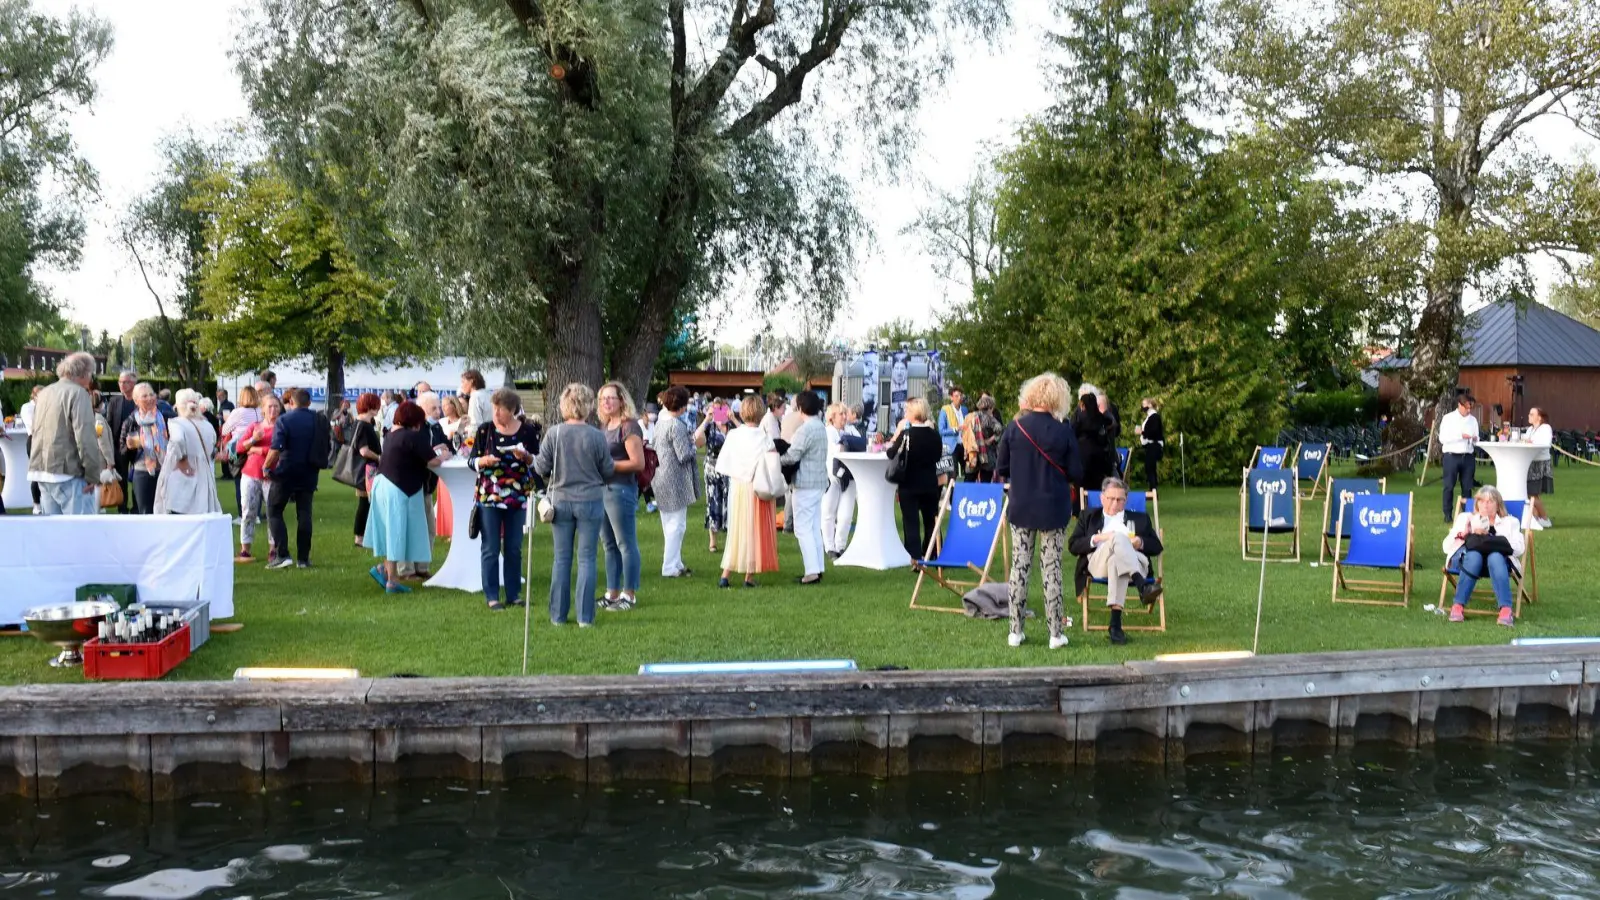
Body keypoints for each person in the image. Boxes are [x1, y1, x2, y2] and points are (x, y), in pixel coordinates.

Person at [997, 372, 1083, 649]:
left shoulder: (1015, 428)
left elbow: (1001, 468)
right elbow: (1076, 472)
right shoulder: (1063, 430)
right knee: (1052, 568)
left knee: (1019, 567)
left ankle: (1014, 631)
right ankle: (1055, 634)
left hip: (1021, 505)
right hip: (1054, 507)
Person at [534, 383, 616, 626]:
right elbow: (608, 470)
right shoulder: (597, 435)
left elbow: (540, 467)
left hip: (560, 501)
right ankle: (585, 617)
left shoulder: (554, 433)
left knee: (561, 559)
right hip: (590, 500)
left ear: (564, 405)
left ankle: (558, 616)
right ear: (589, 406)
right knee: (587, 558)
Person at [365, 400, 449, 593]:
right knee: (396, 531)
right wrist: (444, 455)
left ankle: (385, 570)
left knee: (389, 531)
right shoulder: (412, 436)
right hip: (399, 487)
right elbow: (433, 461)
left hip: (383, 483)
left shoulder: (391, 435)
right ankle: (392, 580)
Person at [468, 388, 541, 610]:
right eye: (494, 408)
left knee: (513, 546)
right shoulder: (485, 430)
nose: (497, 413)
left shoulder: (527, 431)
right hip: (490, 494)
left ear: (512, 410)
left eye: (501, 409)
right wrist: (483, 461)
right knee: (490, 545)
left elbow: (537, 462)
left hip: (517, 495)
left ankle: (513, 593)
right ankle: (492, 595)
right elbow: (471, 461)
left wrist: (526, 457)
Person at [1068, 477, 1164, 644]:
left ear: (1126, 501)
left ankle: (1115, 626)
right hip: (1099, 562)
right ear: (1102, 498)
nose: (1114, 504)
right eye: (1110, 499)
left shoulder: (1140, 518)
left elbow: (1157, 546)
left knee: (1116, 561)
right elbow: (1073, 545)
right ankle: (1142, 586)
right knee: (1118, 538)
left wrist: (1140, 542)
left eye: (1119, 500)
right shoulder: (1088, 516)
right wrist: (1098, 538)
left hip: (1136, 561)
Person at [25, 352, 104, 516]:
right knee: (81, 534)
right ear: (84, 372)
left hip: (42, 471)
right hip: (68, 472)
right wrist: (92, 474)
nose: (91, 378)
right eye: (91, 373)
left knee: (55, 535)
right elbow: (85, 437)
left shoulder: (44, 393)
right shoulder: (78, 393)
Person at [715, 394, 781, 588]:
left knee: (736, 530)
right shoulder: (764, 437)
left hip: (737, 486)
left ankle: (726, 574)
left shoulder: (734, 435)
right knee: (754, 530)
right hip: (756, 487)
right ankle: (749, 577)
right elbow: (772, 461)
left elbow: (724, 462)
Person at [1444, 485, 1525, 626]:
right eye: (1481, 501)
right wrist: (1466, 534)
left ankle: (1506, 610)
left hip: (1498, 564)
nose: (1485, 505)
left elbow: (1519, 548)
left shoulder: (1510, 522)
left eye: (1490, 501)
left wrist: (1494, 539)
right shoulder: (1466, 518)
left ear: (1498, 505)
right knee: (1474, 556)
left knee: (1495, 556)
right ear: (1476, 504)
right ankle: (1458, 606)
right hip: (1469, 562)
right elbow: (1446, 545)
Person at [598, 381, 646, 611]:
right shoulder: (605, 426)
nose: (606, 402)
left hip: (621, 490)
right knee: (608, 545)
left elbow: (638, 463)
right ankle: (612, 592)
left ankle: (629, 594)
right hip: (601, 489)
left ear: (622, 401)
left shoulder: (629, 427)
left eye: (611, 398)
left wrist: (609, 465)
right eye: (603, 399)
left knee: (625, 543)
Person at [263, 388, 320, 570]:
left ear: (291, 403)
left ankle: (282, 553)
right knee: (304, 514)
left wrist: (266, 466)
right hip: (310, 470)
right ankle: (303, 558)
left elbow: (276, 448)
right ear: (309, 403)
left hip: (286, 471)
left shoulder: (284, 420)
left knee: (274, 510)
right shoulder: (319, 420)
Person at [398, 391, 448, 579]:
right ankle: (407, 569)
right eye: (433, 408)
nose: (438, 412)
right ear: (422, 410)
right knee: (411, 528)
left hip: (426, 486)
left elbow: (446, 444)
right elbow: (422, 455)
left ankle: (422, 566)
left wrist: (444, 448)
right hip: (412, 485)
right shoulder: (417, 429)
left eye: (439, 408)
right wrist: (436, 453)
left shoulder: (436, 429)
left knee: (428, 528)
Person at [780, 390, 829, 584]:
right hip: (818, 483)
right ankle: (817, 567)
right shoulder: (820, 426)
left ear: (800, 409)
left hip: (805, 484)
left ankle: (811, 572)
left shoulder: (805, 429)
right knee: (814, 527)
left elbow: (792, 455)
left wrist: (776, 459)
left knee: (802, 529)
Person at [886, 398, 943, 561]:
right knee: (931, 521)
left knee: (911, 522)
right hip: (930, 483)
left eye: (907, 411)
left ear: (914, 413)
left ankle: (914, 556)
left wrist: (897, 434)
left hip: (909, 484)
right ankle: (933, 552)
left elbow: (891, 454)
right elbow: (938, 456)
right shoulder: (934, 435)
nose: (905, 414)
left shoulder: (907, 434)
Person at [652, 387, 699, 578]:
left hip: (660, 476)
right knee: (677, 525)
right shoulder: (676, 425)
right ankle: (670, 566)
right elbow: (684, 454)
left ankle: (676, 562)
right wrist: (694, 444)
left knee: (669, 523)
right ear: (680, 406)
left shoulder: (660, 421)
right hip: (675, 479)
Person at [154, 389, 222, 515]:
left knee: (180, 520)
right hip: (204, 475)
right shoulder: (207, 425)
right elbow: (212, 446)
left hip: (183, 476)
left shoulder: (177, 423)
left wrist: (178, 459)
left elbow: (177, 440)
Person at [235, 393, 282, 562]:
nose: (272, 410)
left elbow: (279, 450)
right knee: (248, 511)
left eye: (276, 406)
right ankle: (245, 549)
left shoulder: (282, 427)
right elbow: (239, 447)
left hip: (271, 474)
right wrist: (254, 440)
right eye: (269, 406)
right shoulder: (255, 426)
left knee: (272, 513)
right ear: (262, 409)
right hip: (250, 474)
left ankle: (273, 549)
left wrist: (256, 450)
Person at [119, 382, 167, 515]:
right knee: (146, 512)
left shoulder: (165, 416)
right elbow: (122, 451)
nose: (150, 398)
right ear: (136, 400)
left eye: (151, 394)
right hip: (142, 472)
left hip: (165, 470)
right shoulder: (131, 421)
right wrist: (129, 447)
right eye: (144, 396)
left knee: (166, 512)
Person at [822, 402, 860, 559]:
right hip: (832, 476)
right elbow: (834, 451)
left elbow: (860, 444)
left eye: (845, 413)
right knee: (828, 512)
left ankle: (841, 546)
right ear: (832, 417)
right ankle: (830, 547)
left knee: (846, 514)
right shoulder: (828, 432)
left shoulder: (851, 430)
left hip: (849, 476)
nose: (844, 417)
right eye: (841, 414)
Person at [696, 398, 734, 554]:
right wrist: (706, 418)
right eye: (716, 409)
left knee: (730, 502)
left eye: (722, 409)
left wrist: (732, 419)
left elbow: (742, 437)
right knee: (713, 502)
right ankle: (713, 540)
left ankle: (732, 540)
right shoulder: (709, 426)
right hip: (712, 467)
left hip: (730, 468)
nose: (719, 413)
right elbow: (696, 439)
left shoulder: (732, 426)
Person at [1439, 393, 1480, 524]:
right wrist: (1460, 435)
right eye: (1466, 408)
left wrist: (1474, 439)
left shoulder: (1473, 420)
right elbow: (1443, 438)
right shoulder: (1448, 418)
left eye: (1470, 408)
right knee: (1449, 486)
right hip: (1452, 456)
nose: (1468, 411)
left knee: (1467, 487)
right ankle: (1447, 514)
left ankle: (1467, 513)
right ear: (1459, 405)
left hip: (1467, 456)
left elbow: (1477, 438)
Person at [349, 394, 384, 546]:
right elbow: (364, 451)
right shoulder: (364, 425)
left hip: (365, 468)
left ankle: (364, 535)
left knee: (366, 503)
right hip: (367, 469)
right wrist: (378, 457)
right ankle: (360, 536)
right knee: (365, 503)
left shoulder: (359, 423)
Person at [103, 370, 138, 513]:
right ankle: (122, 509)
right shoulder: (114, 401)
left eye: (125, 382)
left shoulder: (140, 400)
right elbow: (109, 425)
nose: (122, 385)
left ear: (134, 383)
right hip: (119, 447)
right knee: (121, 479)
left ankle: (136, 508)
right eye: (120, 382)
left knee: (137, 479)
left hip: (139, 447)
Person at [1072, 387, 1114, 500]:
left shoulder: (1080, 418)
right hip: (1099, 455)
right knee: (1097, 483)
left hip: (1083, 454)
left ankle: (1080, 507)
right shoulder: (1100, 418)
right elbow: (1110, 423)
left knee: (1081, 483)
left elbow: (1073, 431)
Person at [962, 394, 1002, 483]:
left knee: (969, 480)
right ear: (990, 407)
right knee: (985, 482)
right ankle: (983, 497)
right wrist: (990, 440)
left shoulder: (970, 416)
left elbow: (964, 432)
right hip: (987, 455)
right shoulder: (990, 419)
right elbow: (999, 429)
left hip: (973, 453)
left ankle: (968, 496)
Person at [1525, 407, 1553, 528]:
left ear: (1539, 417)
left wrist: (1531, 442)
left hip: (1540, 463)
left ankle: (1545, 518)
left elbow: (1546, 443)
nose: (1529, 416)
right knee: (1529, 493)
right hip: (1530, 462)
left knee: (1532, 493)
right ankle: (1536, 517)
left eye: (1532, 414)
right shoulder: (1530, 429)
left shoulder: (1545, 428)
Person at [1133, 397, 1164, 491]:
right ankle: (1152, 488)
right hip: (1150, 445)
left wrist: (1142, 432)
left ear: (1150, 405)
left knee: (1150, 467)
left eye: (1144, 404)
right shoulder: (1150, 417)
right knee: (1150, 467)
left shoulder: (1154, 417)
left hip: (1154, 445)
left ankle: (1153, 489)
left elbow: (1153, 432)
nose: (1142, 407)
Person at [938, 388, 969, 482]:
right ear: (951, 397)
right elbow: (941, 430)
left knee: (969, 471)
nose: (959, 398)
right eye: (956, 396)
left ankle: (966, 493)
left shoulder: (964, 410)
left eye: (960, 396)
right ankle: (951, 496)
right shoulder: (945, 410)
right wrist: (955, 429)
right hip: (951, 446)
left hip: (964, 444)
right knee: (952, 475)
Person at [20, 384, 41, 513]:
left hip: (46, 440)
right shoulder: (27, 408)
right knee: (36, 473)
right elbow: (33, 425)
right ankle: (36, 504)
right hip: (34, 440)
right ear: (34, 395)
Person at [461, 369, 492, 433]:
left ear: (471, 381)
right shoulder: (488, 394)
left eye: (463, 381)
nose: (461, 385)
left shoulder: (475, 397)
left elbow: (475, 425)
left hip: (481, 438)